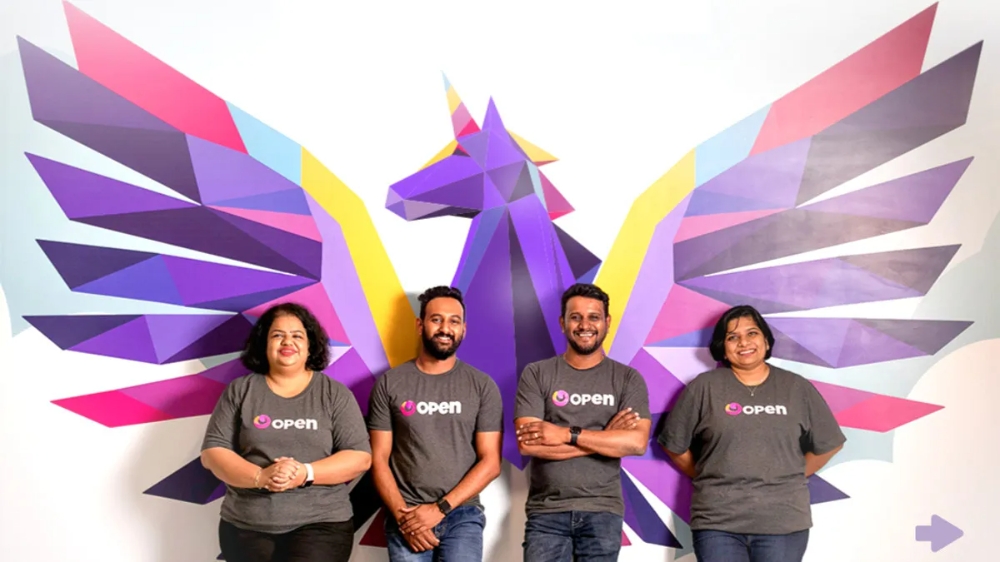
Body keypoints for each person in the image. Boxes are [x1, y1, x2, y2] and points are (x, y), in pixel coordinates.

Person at [658, 304, 846, 562]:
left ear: (766, 341)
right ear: (723, 347)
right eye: (732, 337)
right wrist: (706, 474)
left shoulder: (796, 387)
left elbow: (830, 443)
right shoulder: (704, 387)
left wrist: (791, 474)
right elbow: (673, 444)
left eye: (752, 333)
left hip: (783, 523)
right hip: (718, 523)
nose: (743, 342)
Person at [200, 303, 373, 562]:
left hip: (321, 524)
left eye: (297, 335)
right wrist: (261, 476)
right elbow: (213, 452)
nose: (287, 342)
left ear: (310, 345)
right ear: (264, 344)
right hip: (245, 524)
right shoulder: (240, 390)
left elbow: (360, 457)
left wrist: (304, 473)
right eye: (277, 335)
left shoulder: (334, 394)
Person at [514, 283, 651, 561]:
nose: (584, 325)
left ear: (607, 322)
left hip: (603, 511)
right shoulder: (537, 373)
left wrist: (567, 434)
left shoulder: (627, 378)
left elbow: (636, 443)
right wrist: (606, 438)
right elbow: (528, 444)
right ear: (562, 323)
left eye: (593, 317)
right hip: (547, 512)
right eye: (575, 317)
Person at [367, 286, 503, 561]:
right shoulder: (390, 383)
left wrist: (440, 509)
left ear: (464, 329)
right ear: (420, 325)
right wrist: (404, 518)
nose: (445, 328)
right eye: (436, 319)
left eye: (454, 321)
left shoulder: (482, 386)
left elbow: (491, 462)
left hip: (462, 514)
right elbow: (378, 459)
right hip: (406, 513)